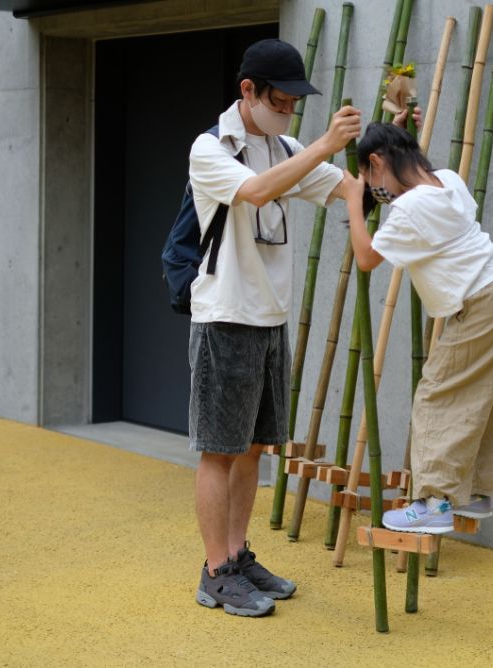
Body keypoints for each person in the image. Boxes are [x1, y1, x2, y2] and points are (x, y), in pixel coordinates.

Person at [187, 38, 361, 617]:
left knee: (255, 447)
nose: (288, 112)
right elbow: (257, 190)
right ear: (248, 91)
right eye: (280, 101)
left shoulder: (284, 146)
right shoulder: (210, 148)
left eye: (294, 104)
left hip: (270, 319)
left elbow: (342, 187)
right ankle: (214, 571)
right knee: (219, 449)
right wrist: (324, 146)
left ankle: (237, 556)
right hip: (225, 317)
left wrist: (384, 156)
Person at [341, 122, 493, 535]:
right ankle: (473, 492)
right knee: (486, 400)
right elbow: (407, 181)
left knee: (436, 397)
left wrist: (354, 203)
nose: (375, 191)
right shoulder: (447, 180)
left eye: (371, 180)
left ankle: (434, 503)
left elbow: (367, 257)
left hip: (481, 301)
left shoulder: (409, 208)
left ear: (376, 162)